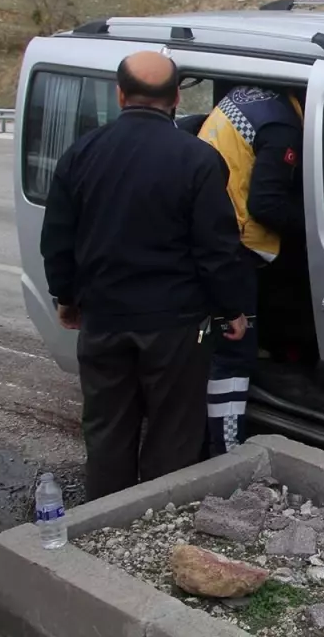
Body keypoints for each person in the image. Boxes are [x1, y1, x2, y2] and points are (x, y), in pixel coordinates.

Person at [39, 51, 250, 501]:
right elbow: (216, 250)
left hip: (104, 318)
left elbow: (58, 238)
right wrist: (231, 309)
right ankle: (156, 520)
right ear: (177, 97)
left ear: (119, 95)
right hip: (175, 325)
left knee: (107, 429)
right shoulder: (198, 160)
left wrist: (66, 298)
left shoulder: (81, 153)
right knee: (173, 431)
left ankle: (105, 523)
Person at [195, 83, 306, 456]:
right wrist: (318, 229)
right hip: (236, 244)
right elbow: (267, 202)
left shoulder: (252, 97)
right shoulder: (282, 125)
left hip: (210, 228)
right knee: (233, 355)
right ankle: (226, 454)